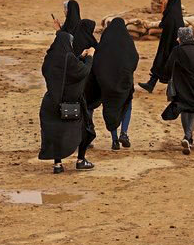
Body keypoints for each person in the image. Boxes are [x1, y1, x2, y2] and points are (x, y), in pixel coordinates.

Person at [38, 31, 96, 173]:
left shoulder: (50, 59)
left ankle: (57, 165)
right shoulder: (69, 58)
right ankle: (81, 160)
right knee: (86, 130)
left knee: (56, 134)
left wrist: (79, 57)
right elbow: (82, 71)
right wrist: (89, 57)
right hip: (71, 104)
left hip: (51, 103)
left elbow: (63, 70)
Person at [90, 17, 138, 150]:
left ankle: (114, 139)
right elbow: (134, 59)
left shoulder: (104, 44)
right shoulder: (127, 42)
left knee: (110, 109)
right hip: (125, 82)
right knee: (127, 105)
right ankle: (124, 133)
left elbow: (96, 63)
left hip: (107, 84)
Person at [162, 27, 194, 155]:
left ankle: (187, 137)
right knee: (193, 110)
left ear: (182, 37)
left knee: (184, 109)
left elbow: (168, 67)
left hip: (181, 86)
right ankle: (188, 137)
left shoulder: (177, 50)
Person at [140, 0, 183, 93]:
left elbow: (168, 27)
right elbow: (164, 24)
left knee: (166, 64)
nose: (163, 0)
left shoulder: (172, 15)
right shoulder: (172, 12)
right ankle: (151, 84)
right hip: (167, 43)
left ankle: (156, 85)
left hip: (169, 45)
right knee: (161, 62)